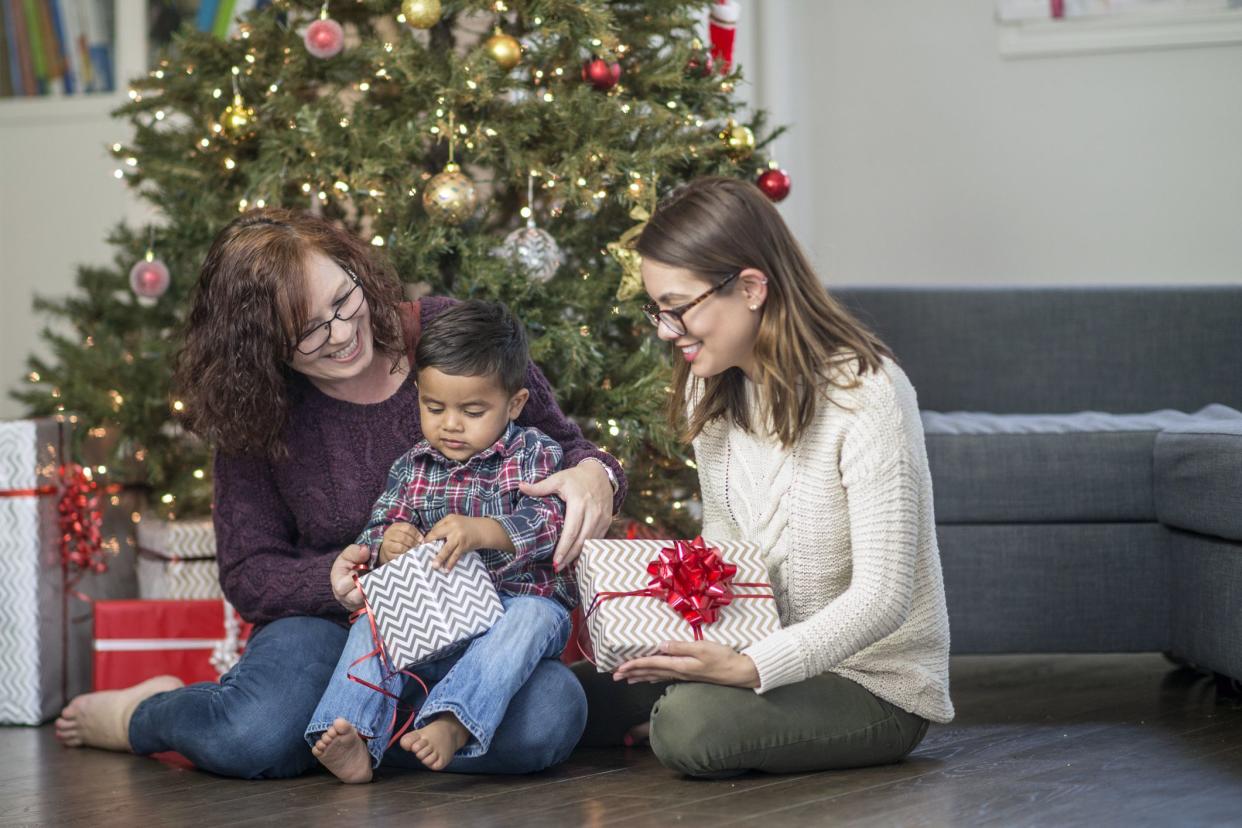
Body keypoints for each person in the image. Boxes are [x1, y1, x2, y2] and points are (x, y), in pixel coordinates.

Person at [55, 208, 625, 779]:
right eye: (307, 331)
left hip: (483, 621)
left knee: (549, 718)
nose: (344, 333)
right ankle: (145, 712)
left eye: (342, 301)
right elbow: (248, 570)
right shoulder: (258, 409)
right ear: (262, 346)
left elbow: (566, 450)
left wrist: (598, 474)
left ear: (355, 270)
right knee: (249, 736)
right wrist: (333, 579)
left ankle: (372, 730)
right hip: (335, 627)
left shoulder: (447, 338)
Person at [572, 177, 954, 777]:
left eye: (677, 309)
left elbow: (884, 599)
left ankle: (702, 714)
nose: (665, 333)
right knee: (567, 698)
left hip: (873, 684)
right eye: (657, 310)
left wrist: (749, 671)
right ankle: (704, 709)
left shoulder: (870, 395)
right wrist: (692, 648)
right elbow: (732, 559)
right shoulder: (714, 385)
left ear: (750, 287)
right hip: (751, 653)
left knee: (689, 725)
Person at [307, 300, 576, 783]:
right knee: (374, 622)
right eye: (434, 407)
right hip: (438, 615)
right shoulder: (412, 467)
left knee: (534, 615)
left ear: (513, 404)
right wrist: (388, 544)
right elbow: (376, 528)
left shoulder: (534, 452)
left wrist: (487, 532)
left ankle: (453, 720)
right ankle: (352, 734)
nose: (450, 424)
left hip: (517, 612)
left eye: (472, 411)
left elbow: (553, 519)